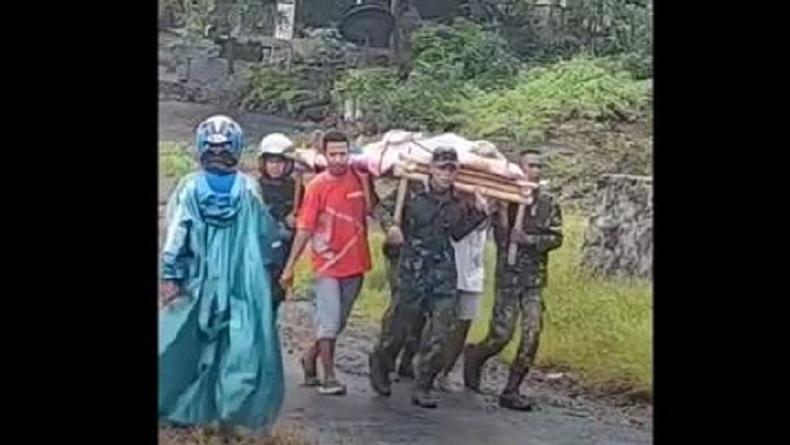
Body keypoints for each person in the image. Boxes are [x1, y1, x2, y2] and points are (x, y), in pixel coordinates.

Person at [158, 115, 284, 432]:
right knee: (240, 343)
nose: (217, 154)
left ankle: (196, 410)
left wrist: (171, 276)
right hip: (241, 281)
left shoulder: (191, 187)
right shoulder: (247, 188)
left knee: (188, 341)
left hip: (201, 280)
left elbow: (175, 235)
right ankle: (225, 412)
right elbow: (265, 237)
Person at [368, 146, 490, 408]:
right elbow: (381, 209)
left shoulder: (458, 201)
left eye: (451, 169)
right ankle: (381, 365)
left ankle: (423, 385)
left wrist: (479, 212)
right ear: (432, 169)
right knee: (398, 328)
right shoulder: (410, 193)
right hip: (412, 269)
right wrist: (391, 228)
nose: (446, 174)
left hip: (443, 273)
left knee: (440, 332)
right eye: (442, 168)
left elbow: (457, 233)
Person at [463, 148, 563, 411]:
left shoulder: (548, 203)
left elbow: (556, 237)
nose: (536, 171)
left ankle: (512, 389)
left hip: (534, 280)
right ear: (519, 169)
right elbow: (479, 224)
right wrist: (491, 209)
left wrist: (529, 240)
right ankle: (475, 356)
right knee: (501, 335)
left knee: (532, 334)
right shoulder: (503, 200)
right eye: (530, 165)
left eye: (539, 166)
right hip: (508, 278)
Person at [279, 129, 372, 396]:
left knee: (339, 322)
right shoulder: (317, 186)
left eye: (344, 154)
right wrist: (290, 266)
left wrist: (367, 183)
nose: (339, 159)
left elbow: (370, 209)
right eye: (334, 154)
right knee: (328, 322)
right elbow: (305, 229)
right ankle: (329, 377)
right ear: (324, 155)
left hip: (357, 262)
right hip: (327, 264)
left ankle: (309, 357)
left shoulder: (358, 178)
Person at [256, 132, 303, 316]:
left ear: (288, 164)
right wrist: (282, 221)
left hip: (283, 254)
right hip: (259, 253)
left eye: (280, 162)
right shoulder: (255, 188)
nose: (275, 166)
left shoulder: (297, 189)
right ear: (263, 163)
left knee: (274, 299)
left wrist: (296, 221)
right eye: (271, 162)